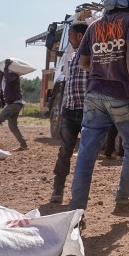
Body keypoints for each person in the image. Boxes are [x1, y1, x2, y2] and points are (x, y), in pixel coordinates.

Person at [67, 0, 129, 221]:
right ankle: (122, 202)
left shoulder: (94, 26)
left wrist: (102, 70)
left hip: (94, 96)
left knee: (87, 153)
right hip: (120, 95)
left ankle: (76, 214)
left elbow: (85, 63)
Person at [50, 21, 90, 203]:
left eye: (71, 36)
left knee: (86, 154)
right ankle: (58, 189)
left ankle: (78, 194)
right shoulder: (72, 57)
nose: (70, 40)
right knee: (65, 150)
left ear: (81, 36)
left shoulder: (93, 56)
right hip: (70, 110)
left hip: (88, 112)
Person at [0, 61, 28, 152]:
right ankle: (23, 145)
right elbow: (2, 94)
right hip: (12, 104)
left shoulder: (13, 76)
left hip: (15, 104)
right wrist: (0, 102)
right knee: (12, 126)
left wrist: (6, 68)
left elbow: (9, 80)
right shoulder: (3, 80)